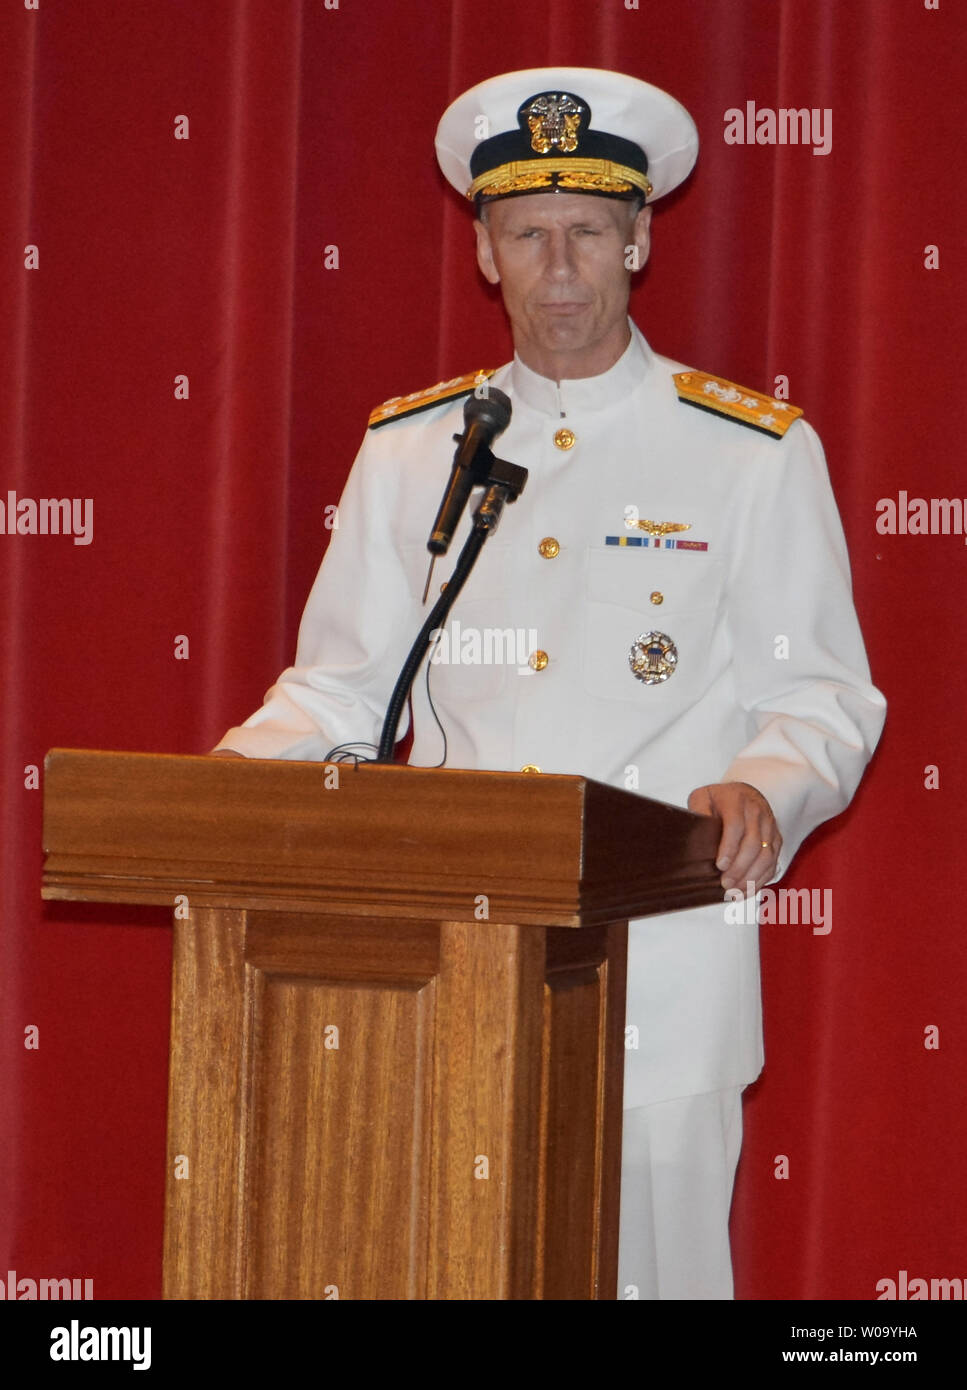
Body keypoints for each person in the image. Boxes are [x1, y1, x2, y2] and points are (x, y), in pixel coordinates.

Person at [213, 68, 886, 1299]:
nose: (560, 265)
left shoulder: (747, 453)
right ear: (483, 251)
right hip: (439, 965)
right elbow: (339, 694)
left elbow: (823, 698)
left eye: (588, 230)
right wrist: (217, 793)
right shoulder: (415, 450)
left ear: (638, 239)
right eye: (529, 232)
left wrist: (763, 788)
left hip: (659, 973)